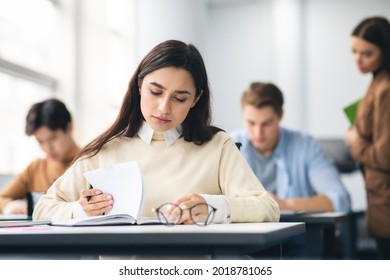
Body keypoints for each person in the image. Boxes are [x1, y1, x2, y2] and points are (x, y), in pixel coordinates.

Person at [33, 40, 280, 226]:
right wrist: (80, 210)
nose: (164, 108)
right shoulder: (106, 149)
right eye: (155, 92)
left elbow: (268, 207)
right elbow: (43, 209)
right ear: (140, 86)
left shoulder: (217, 146)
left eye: (180, 98)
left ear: (196, 99)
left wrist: (215, 207)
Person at [231, 82, 351, 214]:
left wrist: (283, 204)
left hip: (294, 234)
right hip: (244, 233)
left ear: (280, 115)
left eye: (267, 123)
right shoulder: (228, 145)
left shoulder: (305, 146)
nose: (258, 133)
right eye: (251, 123)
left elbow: (341, 199)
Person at [344, 16, 390, 260]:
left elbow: (384, 155)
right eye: (354, 51)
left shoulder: (386, 88)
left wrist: (355, 141)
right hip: (379, 196)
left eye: (367, 53)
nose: (358, 60)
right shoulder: (377, 81)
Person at [0, 98, 80, 215]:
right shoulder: (36, 168)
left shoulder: (90, 162)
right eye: (40, 141)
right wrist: (10, 206)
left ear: (69, 127)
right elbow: (2, 198)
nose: (47, 148)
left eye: (52, 138)